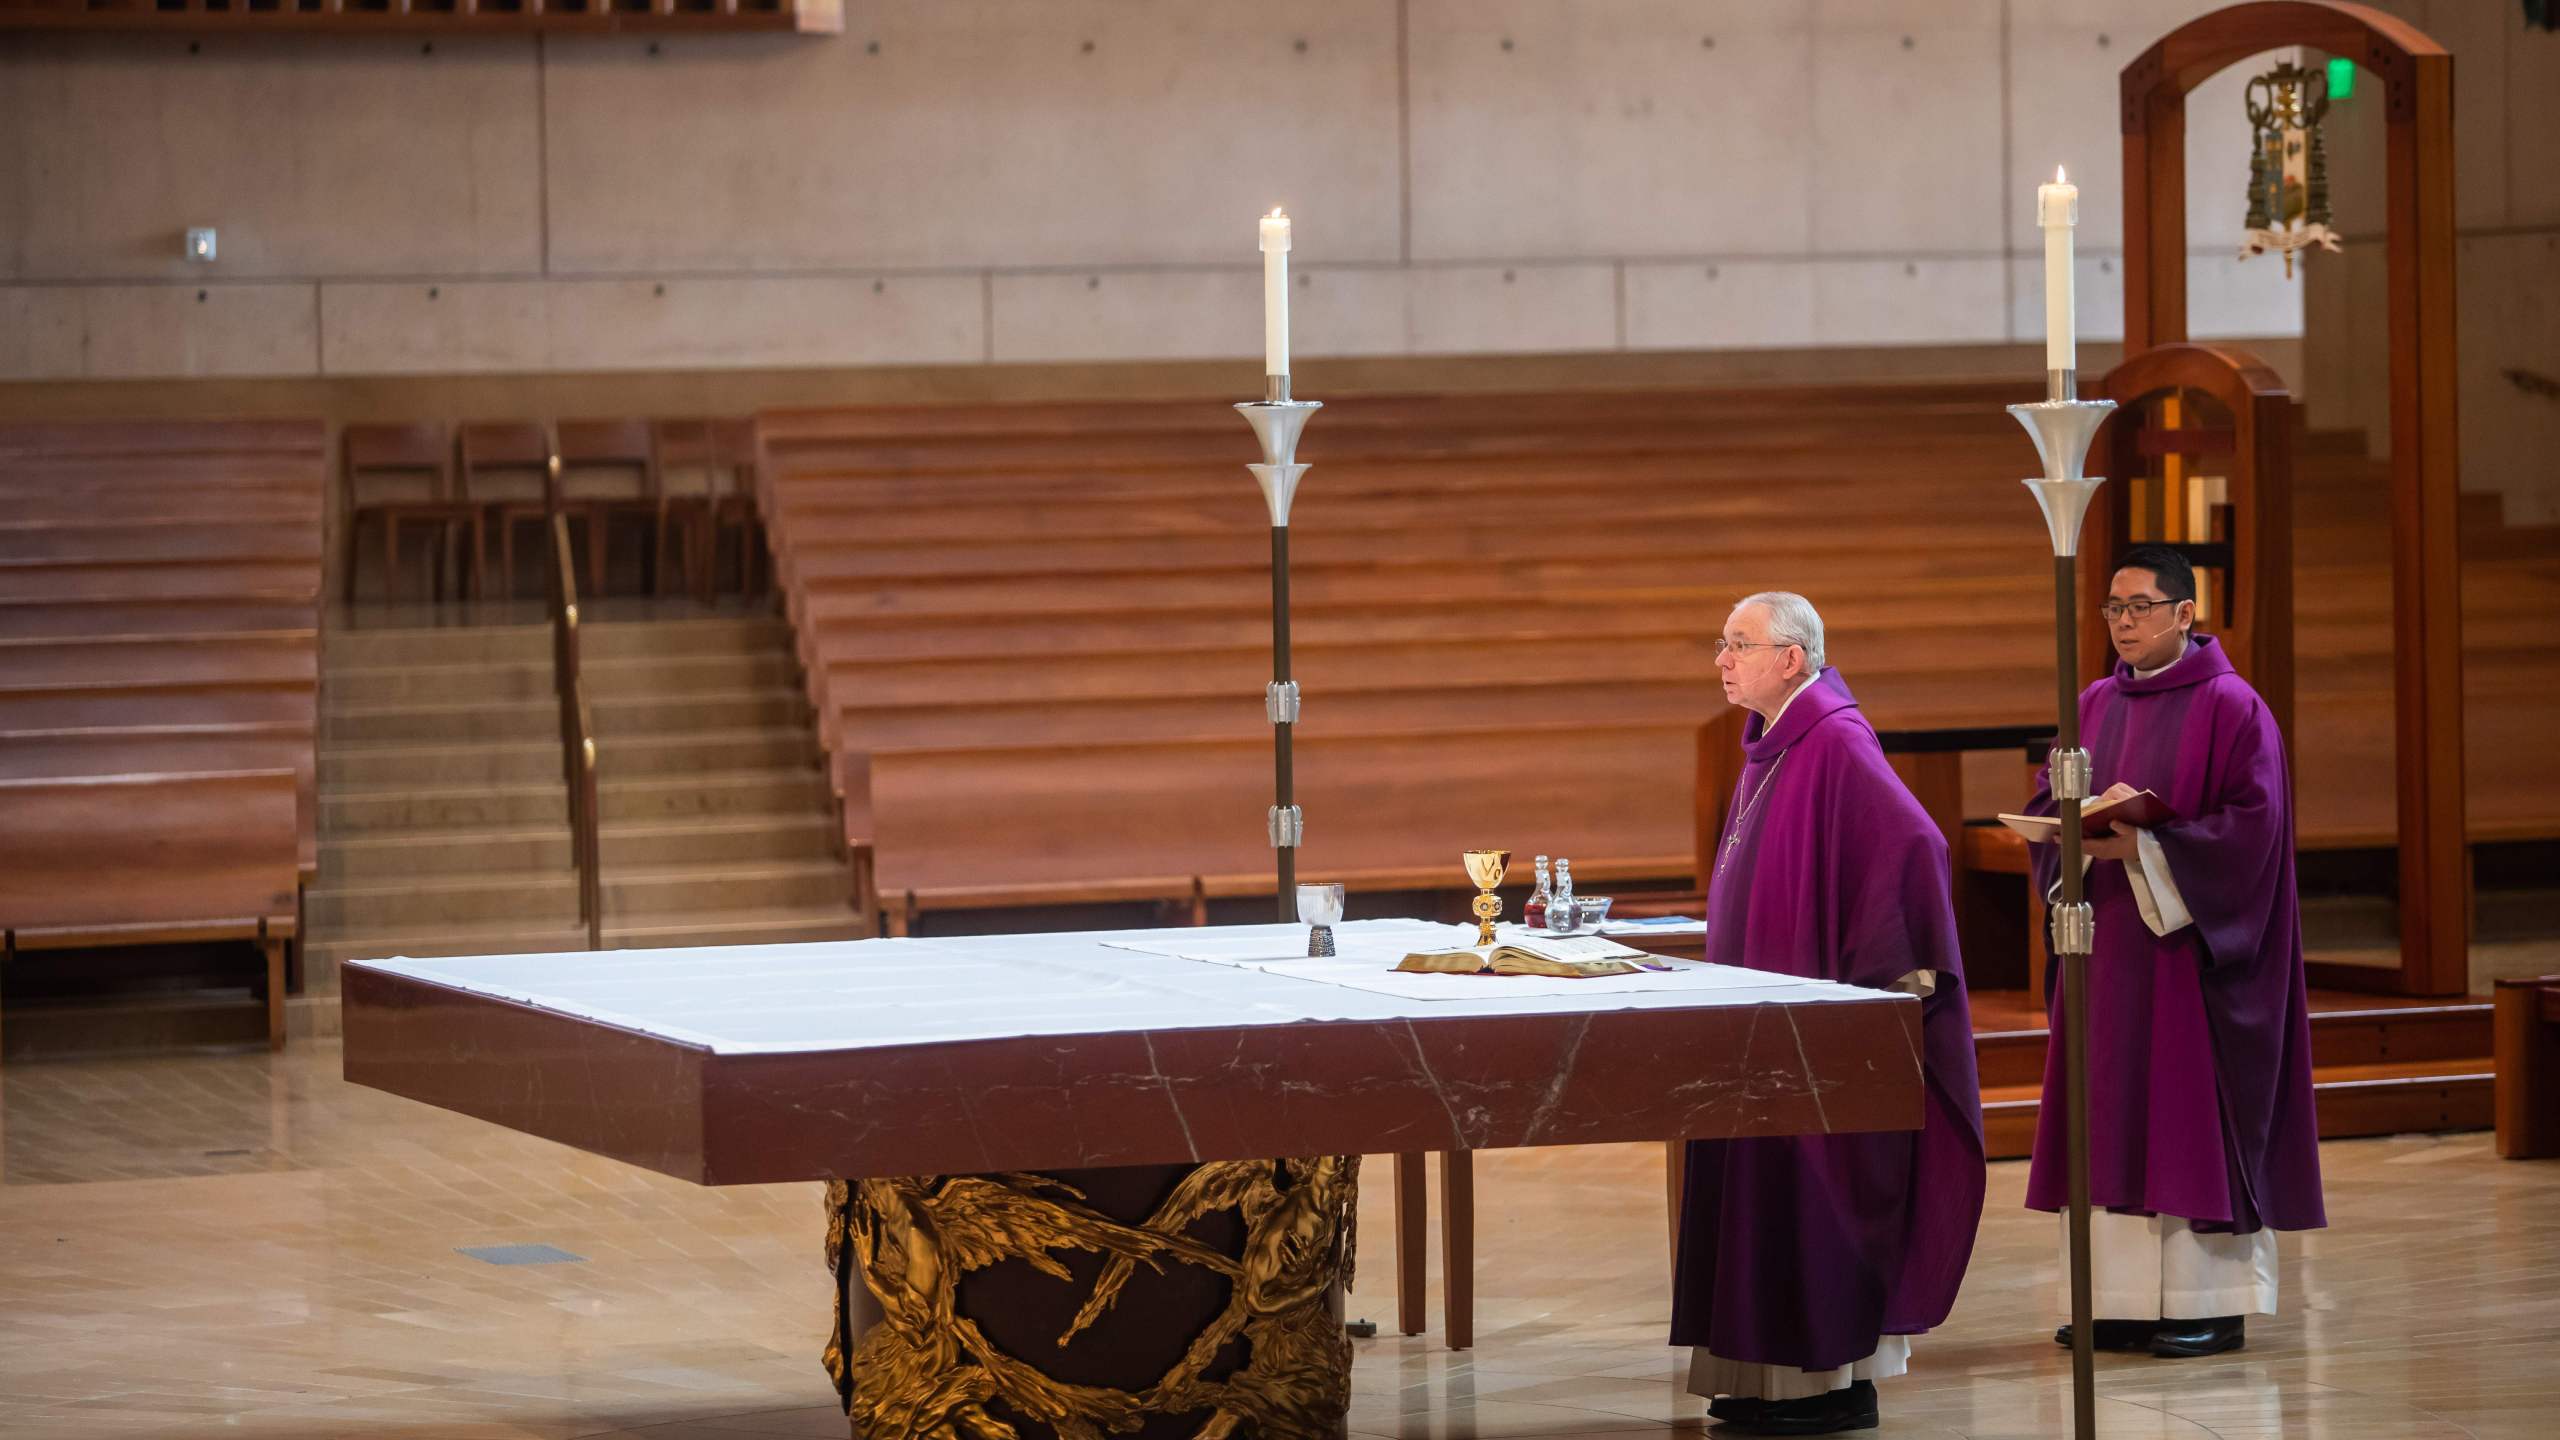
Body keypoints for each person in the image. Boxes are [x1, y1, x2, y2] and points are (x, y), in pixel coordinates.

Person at [1669, 592, 1986, 1437]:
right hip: (1762, 1018)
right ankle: (1768, 1377)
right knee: (1759, 1189)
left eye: (1740, 645)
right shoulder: (1771, 750)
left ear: (1794, 659)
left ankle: (1831, 1385)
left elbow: (1917, 845)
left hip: (1815, 1026)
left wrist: (1876, 975)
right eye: (1722, 644)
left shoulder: (1837, 742)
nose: (1722, 661)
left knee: (1809, 1191)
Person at [2023, 545, 2325, 1359]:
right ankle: (2116, 1301)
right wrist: (2066, 838)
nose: (2123, 623)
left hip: (2191, 961)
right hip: (2110, 952)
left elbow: (2254, 834)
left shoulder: (2233, 707)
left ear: (2185, 614)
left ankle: (2207, 1300)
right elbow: (2051, 804)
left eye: (2140, 607)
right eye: (2113, 609)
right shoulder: (2089, 703)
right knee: (2109, 1115)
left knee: (2184, 1114)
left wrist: (2152, 852)